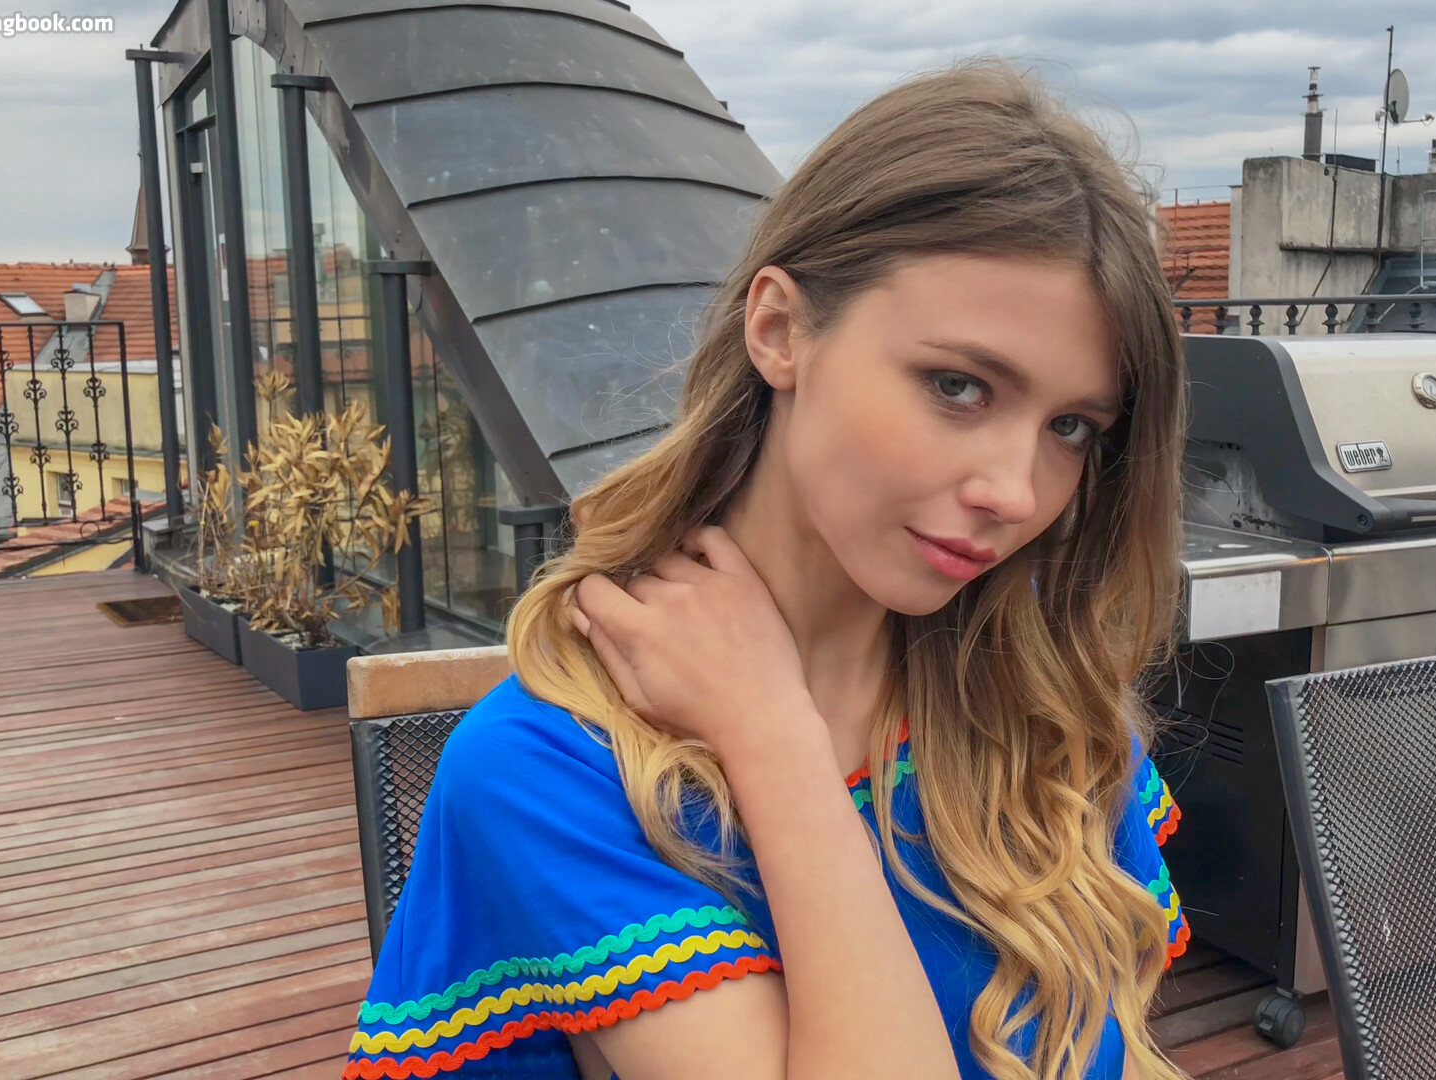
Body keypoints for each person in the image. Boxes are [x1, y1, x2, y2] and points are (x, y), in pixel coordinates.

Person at [343, 56, 1191, 1080]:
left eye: (1071, 427)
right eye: (959, 386)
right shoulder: (551, 770)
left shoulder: (1037, 708)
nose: (1015, 491)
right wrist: (774, 740)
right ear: (779, 331)